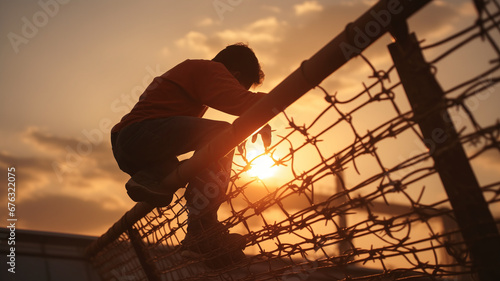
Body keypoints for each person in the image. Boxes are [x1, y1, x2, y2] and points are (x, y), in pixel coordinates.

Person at [110, 43, 271, 268]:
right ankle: (202, 230)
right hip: (139, 134)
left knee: (179, 171)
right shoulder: (208, 69)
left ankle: (149, 176)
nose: (239, 90)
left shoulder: (190, 74)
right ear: (233, 75)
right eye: (241, 86)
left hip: (130, 144)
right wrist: (265, 110)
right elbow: (240, 101)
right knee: (223, 134)